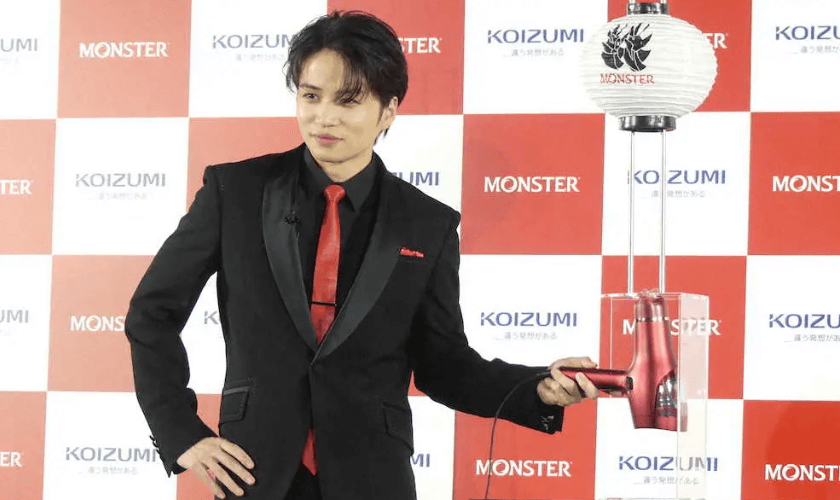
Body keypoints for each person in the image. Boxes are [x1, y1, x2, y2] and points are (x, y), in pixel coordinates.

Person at [124, 10, 600, 500]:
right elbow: (152, 314)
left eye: (348, 100)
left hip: (374, 477)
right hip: (253, 472)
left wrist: (537, 388)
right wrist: (182, 432)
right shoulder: (236, 191)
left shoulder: (426, 223)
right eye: (311, 96)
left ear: (388, 110)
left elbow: (444, 367)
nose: (324, 117)